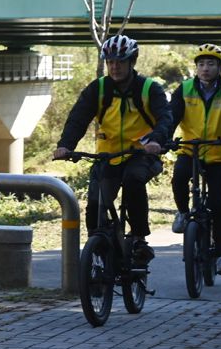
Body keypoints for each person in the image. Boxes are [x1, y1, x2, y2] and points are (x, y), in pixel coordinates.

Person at [54, 34, 172, 265]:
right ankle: (100, 263)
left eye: (120, 61)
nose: (114, 67)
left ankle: (139, 239)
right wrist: (65, 146)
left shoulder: (149, 89)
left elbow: (165, 118)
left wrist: (156, 141)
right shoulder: (98, 89)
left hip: (141, 154)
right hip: (107, 156)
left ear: (132, 62)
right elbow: (78, 119)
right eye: (110, 62)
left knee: (133, 180)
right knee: (95, 207)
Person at [169, 43, 221, 275]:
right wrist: (164, 138)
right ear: (196, 67)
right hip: (190, 150)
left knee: (218, 204)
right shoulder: (184, 89)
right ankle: (183, 212)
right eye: (201, 64)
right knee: (178, 178)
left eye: (211, 64)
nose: (205, 68)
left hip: (217, 152)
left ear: (220, 67)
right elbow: (171, 117)